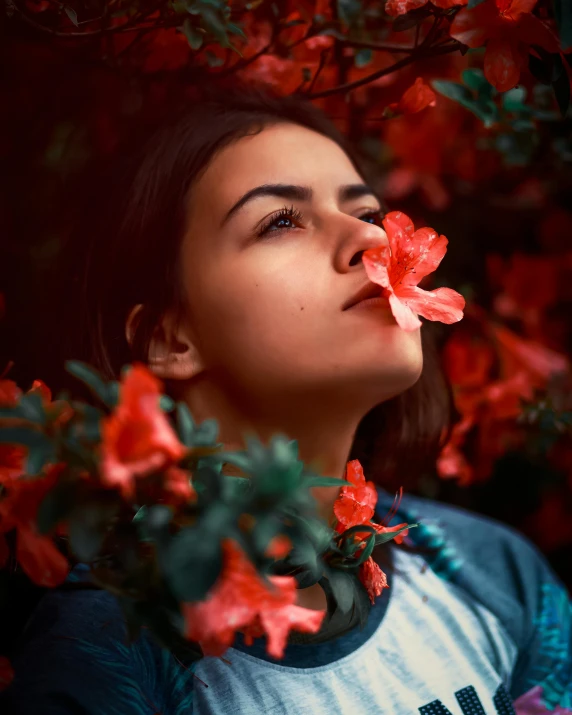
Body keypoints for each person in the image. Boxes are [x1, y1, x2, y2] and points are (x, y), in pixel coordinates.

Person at [1, 83, 570, 715]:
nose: (377, 244)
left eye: (368, 214)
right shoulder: (109, 660)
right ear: (169, 336)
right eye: (280, 221)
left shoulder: (492, 571)